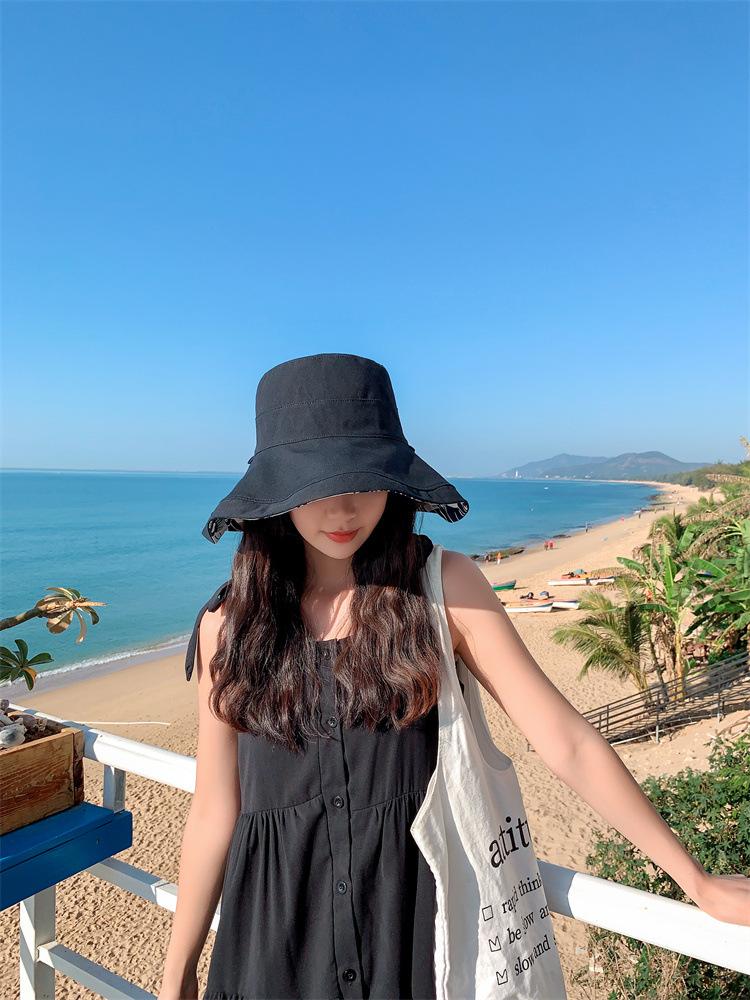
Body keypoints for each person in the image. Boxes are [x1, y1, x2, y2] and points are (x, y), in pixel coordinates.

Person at [159, 354, 750, 1000]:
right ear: (276, 493)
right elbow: (215, 807)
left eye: (365, 479)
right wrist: (178, 969)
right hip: (272, 953)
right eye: (314, 485)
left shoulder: (443, 588)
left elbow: (566, 740)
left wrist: (695, 880)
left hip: (415, 941)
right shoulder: (229, 626)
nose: (344, 507)